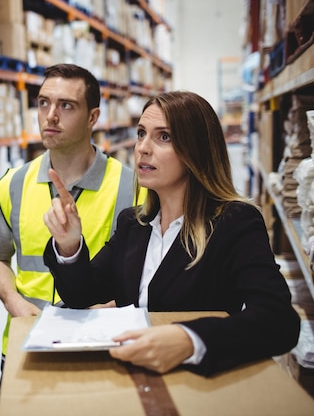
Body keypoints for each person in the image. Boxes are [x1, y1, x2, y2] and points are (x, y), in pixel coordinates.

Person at [43, 90, 301, 376]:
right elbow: (84, 296)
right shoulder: (134, 224)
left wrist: (190, 339)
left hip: (196, 385)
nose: (143, 147)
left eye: (163, 136)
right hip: (130, 376)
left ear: (196, 150)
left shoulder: (234, 223)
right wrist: (69, 246)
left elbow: (278, 321)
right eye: (141, 133)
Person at [0, 63, 138, 363]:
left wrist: (115, 306)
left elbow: (144, 274)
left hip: (100, 346)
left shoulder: (130, 187)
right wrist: (13, 302)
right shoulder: (13, 183)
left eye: (66, 105)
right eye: (43, 103)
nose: (50, 115)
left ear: (93, 117)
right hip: (23, 344)